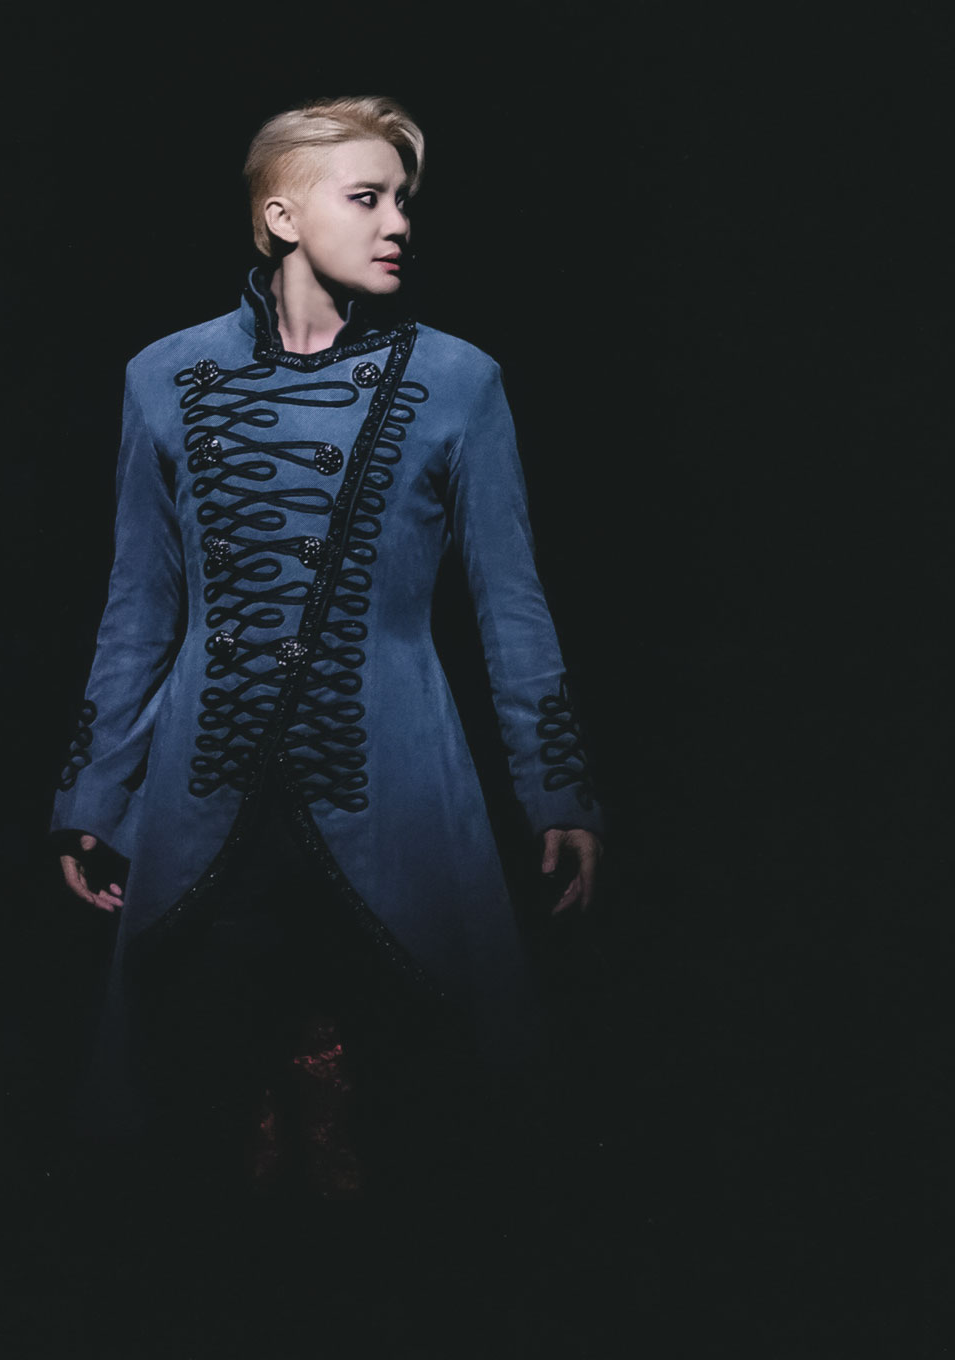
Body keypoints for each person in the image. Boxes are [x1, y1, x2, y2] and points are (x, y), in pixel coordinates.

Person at [44, 95, 608, 1259]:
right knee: (209, 1108)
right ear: (282, 216)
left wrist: (556, 789)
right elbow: (139, 605)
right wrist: (92, 793)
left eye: (402, 200)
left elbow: (509, 600)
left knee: (408, 1123)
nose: (397, 222)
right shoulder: (162, 375)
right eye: (368, 197)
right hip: (207, 787)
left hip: (396, 776)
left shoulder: (459, 380)